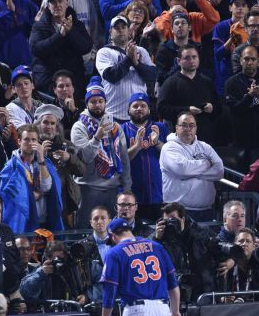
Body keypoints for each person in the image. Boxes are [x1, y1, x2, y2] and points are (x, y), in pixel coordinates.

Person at [70, 77, 131, 228]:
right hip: (88, 189)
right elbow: (86, 157)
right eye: (93, 102)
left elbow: (124, 159)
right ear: (87, 103)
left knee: (112, 233)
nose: (97, 105)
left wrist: (127, 186)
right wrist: (97, 137)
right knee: (86, 232)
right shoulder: (79, 127)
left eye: (100, 101)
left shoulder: (115, 126)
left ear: (105, 102)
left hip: (113, 189)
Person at [160, 111, 224, 222]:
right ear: (176, 127)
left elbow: (219, 171)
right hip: (178, 211)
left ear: (196, 128)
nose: (188, 128)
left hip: (207, 210)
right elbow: (182, 169)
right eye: (184, 125)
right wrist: (206, 163)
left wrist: (191, 172)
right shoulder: (169, 148)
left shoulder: (205, 147)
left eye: (191, 125)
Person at [0, 124, 63, 233]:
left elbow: (47, 187)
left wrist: (41, 159)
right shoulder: (11, 167)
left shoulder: (46, 163)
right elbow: (8, 198)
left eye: (34, 140)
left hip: (46, 222)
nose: (30, 143)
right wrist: (33, 195)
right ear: (19, 142)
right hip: (23, 223)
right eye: (26, 139)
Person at [225, 44, 259, 167]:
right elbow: (234, 111)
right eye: (246, 59)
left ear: (258, 62)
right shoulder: (231, 83)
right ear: (240, 61)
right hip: (242, 140)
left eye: (253, 59)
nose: (249, 62)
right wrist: (249, 96)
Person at [157, 45, 222, 146]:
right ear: (179, 61)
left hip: (206, 137)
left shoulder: (207, 82)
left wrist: (212, 108)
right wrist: (186, 110)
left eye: (194, 57)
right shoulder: (171, 82)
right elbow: (161, 108)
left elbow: (219, 107)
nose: (191, 60)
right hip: (182, 138)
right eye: (187, 57)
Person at [95, 15, 157, 122]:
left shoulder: (141, 51)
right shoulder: (104, 52)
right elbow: (111, 76)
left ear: (129, 30)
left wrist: (137, 64)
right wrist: (129, 59)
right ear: (110, 31)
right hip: (114, 114)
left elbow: (153, 76)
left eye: (124, 27)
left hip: (140, 115)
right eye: (117, 28)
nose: (121, 30)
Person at [153, 201, 218, 300]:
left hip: (202, 289)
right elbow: (150, 258)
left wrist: (232, 259)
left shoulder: (202, 232)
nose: (170, 224)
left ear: (183, 219)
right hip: (175, 290)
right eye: (167, 221)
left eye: (173, 220)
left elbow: (219, 248)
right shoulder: (161, 238)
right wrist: (157, 239)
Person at [29, 0, 92, 95]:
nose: (57, 5)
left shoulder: (77, 25)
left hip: (73, 81)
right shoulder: (39, 26)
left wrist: (70, 32)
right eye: (53, 2)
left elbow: (86, 47)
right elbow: (36, 49)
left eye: (61, 1)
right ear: (48, 6)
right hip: (48, 81)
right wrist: (59, 35)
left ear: (67, 3)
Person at [35, 103, 84, 228]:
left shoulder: (66, 145)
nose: (49, 126)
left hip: (64, 203)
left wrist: (69, 158)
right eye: (45, 123)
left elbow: (82, 171)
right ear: (38, 125)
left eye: (53, 123)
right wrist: (41, 155)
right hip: (40, 200)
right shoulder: (32, 144)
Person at [121, 93, 166, 220]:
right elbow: (121, 161)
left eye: (143, 105)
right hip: (132, 192)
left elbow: (170, 157)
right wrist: (137, 146)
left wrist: (156, 142)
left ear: (149, 109)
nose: (139, 108)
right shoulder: (121, 129)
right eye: (135, 106)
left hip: (158, 191)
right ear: (128, 110)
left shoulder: (160, 127)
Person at [211, 0, 250, 97]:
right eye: (236, 5)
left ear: (248, 9)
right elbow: (217, 55)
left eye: (243, 5)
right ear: (230, 8)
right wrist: (232, 38)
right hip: (226, 75)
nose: (240, 8)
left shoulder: (250, 28)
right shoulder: (221, 26)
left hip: (246, 74)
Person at [151, 0, 219, 44]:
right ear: (168, 2)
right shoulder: (160, 20)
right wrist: (169, 15)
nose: (181, 2)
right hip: (170, 60)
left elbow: (214, 19)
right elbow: (159, 32)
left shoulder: (193, 18)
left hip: (192, 60)